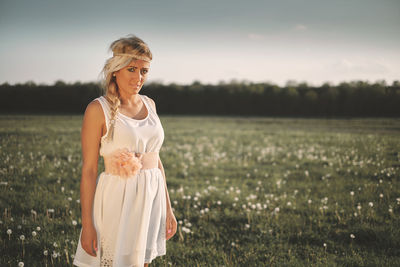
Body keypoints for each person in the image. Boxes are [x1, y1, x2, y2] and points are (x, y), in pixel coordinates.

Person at [73, 34, 177, 267]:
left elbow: (156, 161)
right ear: (116, 70)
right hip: (117, 200)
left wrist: (168, 208)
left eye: (144, 71)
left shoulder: (150, 104)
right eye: (132, 69)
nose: (139, 77)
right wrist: (87, 225)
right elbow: (89, 170)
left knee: (142, 262)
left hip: (151, 197)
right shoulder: (98, 109)